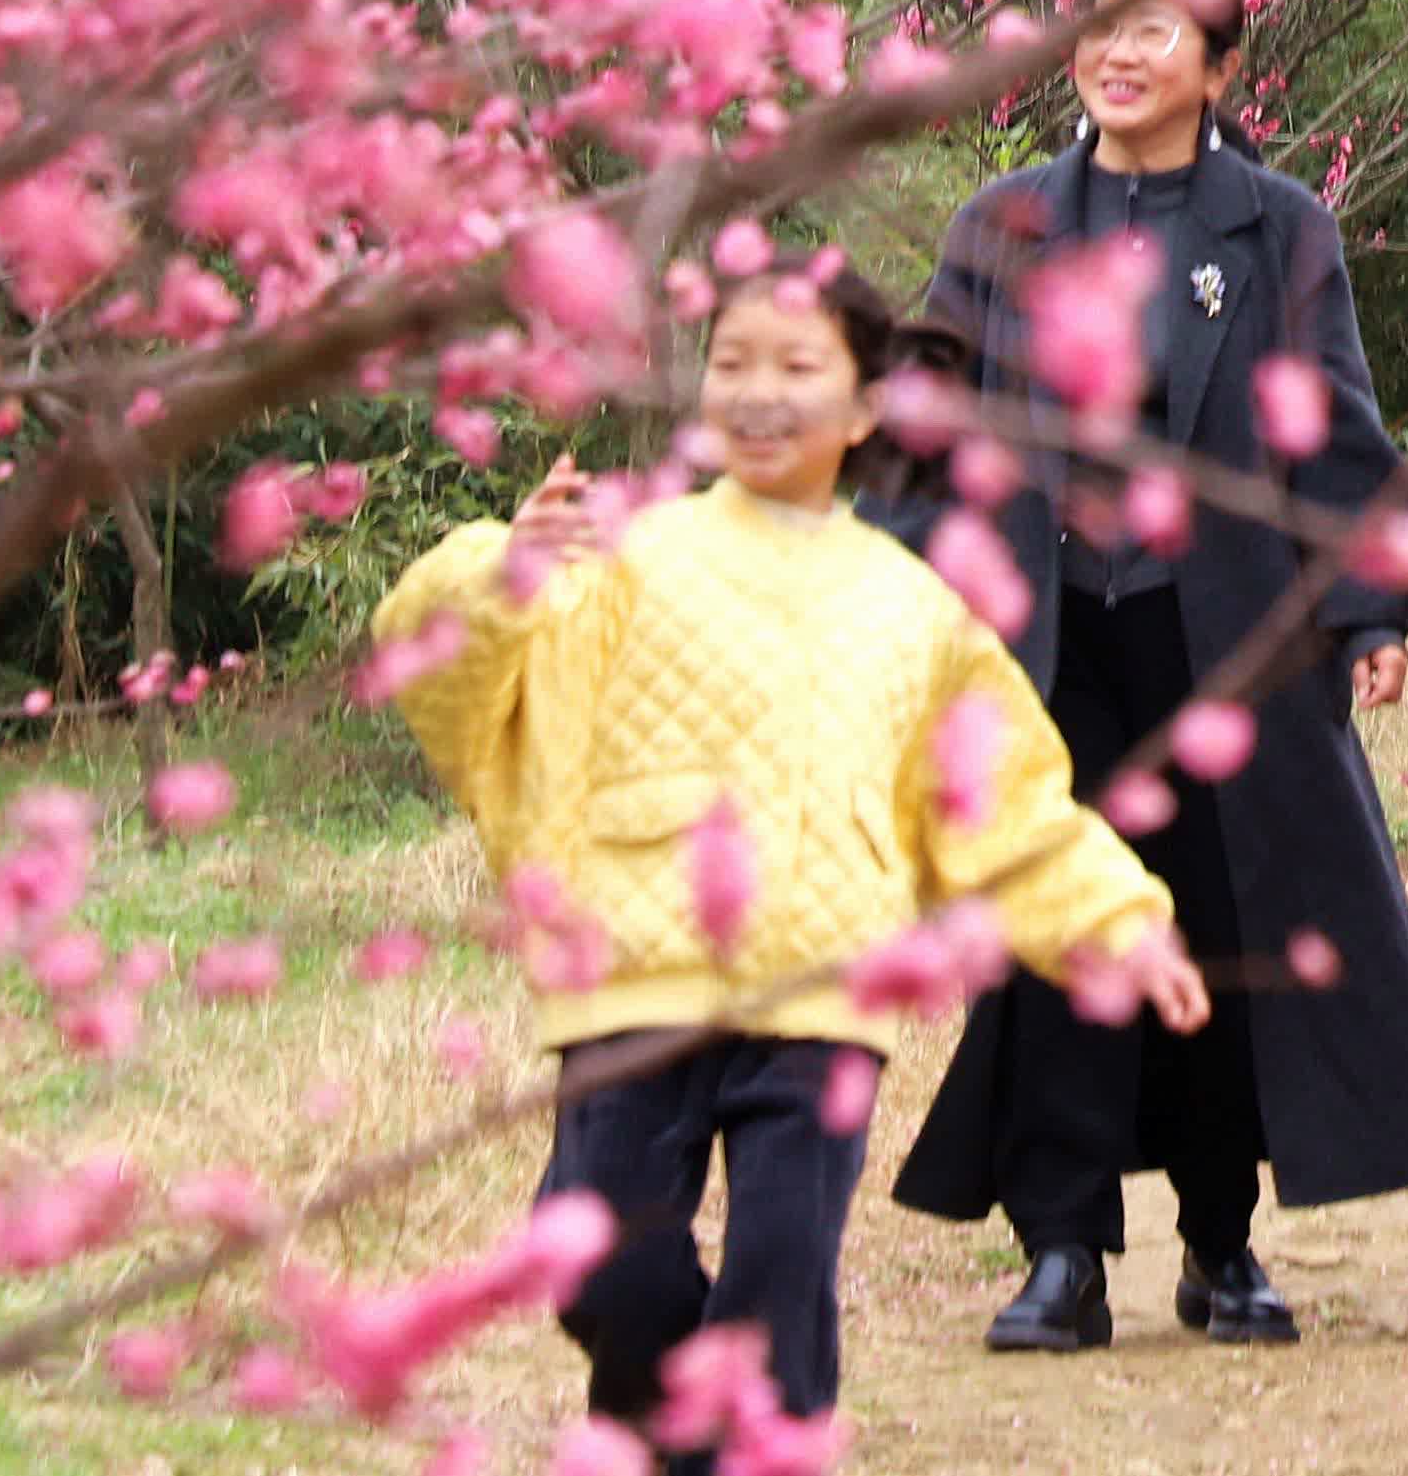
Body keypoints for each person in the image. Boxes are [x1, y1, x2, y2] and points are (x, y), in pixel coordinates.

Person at [375, 254, 1206, 1473]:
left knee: (778, 1278)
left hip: (819, 991)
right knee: (609, 1264)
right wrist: (499, 573)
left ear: (866, 406)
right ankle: (659, 1442)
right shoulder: (623, 556)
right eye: (733, 364)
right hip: (633, 979)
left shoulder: (908, 607)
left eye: (797, 367)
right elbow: (439, 664)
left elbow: (1008, 799)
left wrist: (1118, 920)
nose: (760, 393)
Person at [887, 0, 1408, 1355]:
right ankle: (1063, 1250)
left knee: (1217, 925)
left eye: (1156, 29)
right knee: (1059, 930)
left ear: (1218, 67)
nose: (1119, 51)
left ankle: (1221, 1239)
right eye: (1099, 26)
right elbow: (922, 431)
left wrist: (1371, 605)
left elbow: (1326, 417)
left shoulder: (1274, 226)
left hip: (1217, 632)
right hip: (1044, 635)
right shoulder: (1001, 222)